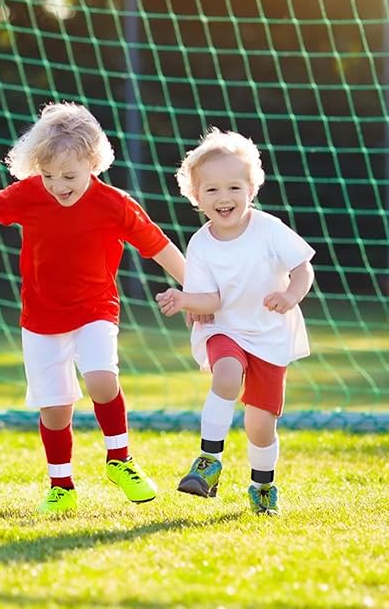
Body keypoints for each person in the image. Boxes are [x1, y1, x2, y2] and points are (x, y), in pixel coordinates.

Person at [0, 102, 186, 514]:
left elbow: (158, 245)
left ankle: (120, 460)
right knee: (55, 410)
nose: (58, 185)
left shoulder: (115, 204)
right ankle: (61, 485)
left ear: (94, 163)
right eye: (50, 175)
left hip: (95, 309)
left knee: (100, 379)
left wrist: (196, 290)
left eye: (69, 175)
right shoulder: (31, 194)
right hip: (40, 320)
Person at [156, 128, 315, 516]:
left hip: (269, 335)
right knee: (225, 374)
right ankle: (208, 462)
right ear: (196, 197)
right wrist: (183, 299)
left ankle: (263, 486)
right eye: (211, 190)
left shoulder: (269, 229)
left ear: (251, 189)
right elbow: (211, 301)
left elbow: (302, 268)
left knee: (260, 426)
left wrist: (290, 296)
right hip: (223, 329)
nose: (223, 198)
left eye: (233, 188)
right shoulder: (201, 244)